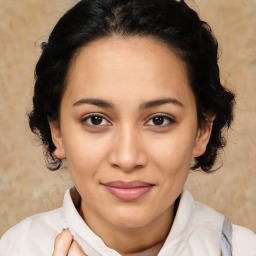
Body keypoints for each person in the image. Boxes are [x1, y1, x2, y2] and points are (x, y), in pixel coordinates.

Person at [0, 0, 255, 255]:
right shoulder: (16, 248)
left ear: (202, 130)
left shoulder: (244, 248)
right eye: (96, 119)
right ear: (57, 132)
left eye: (159, 120)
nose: (127, 158)